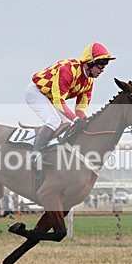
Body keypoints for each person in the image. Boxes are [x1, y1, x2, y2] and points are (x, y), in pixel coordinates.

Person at [25, 42, 115, 170]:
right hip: (37, 92)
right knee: (53, 120)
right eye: (100, 66)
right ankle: (35, 156)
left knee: (68, 123)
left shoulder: (89, 81)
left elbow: (80, 109)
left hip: (52, 97)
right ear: (90, 63)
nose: (102, 70)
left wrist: (85, 120)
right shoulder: (68, 70)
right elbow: (58, 100)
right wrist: (76, 120)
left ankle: (54, 154)